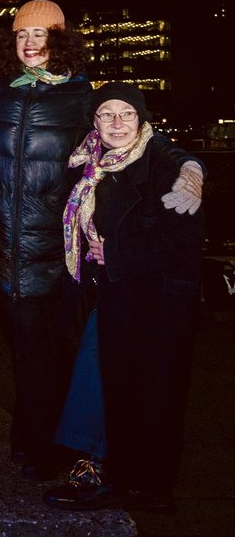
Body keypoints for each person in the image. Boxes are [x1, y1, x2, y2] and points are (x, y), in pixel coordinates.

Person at [0, 0, 204, 481]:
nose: (30, 43)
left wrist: (190, 167)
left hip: (61, 251)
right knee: (25, 349)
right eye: (21, 34)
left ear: (60, 39)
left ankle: (54, 444)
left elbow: (140, 136)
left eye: (41, 33)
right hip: (3, 248)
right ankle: (36, 437)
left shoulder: (80, 96)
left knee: (57, 350)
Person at [45, 83, 205, 513]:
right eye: (107, 114)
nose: (117, 123)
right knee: (111, 385)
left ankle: (145, 488)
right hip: (115, 293)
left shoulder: (163, 162)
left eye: (127, 114)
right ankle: (112, 473)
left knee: (152, 396)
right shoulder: (91, 162)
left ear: (142, 119)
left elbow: (184, 243)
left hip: (158, 303)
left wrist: (117, 252)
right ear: (94, 122)